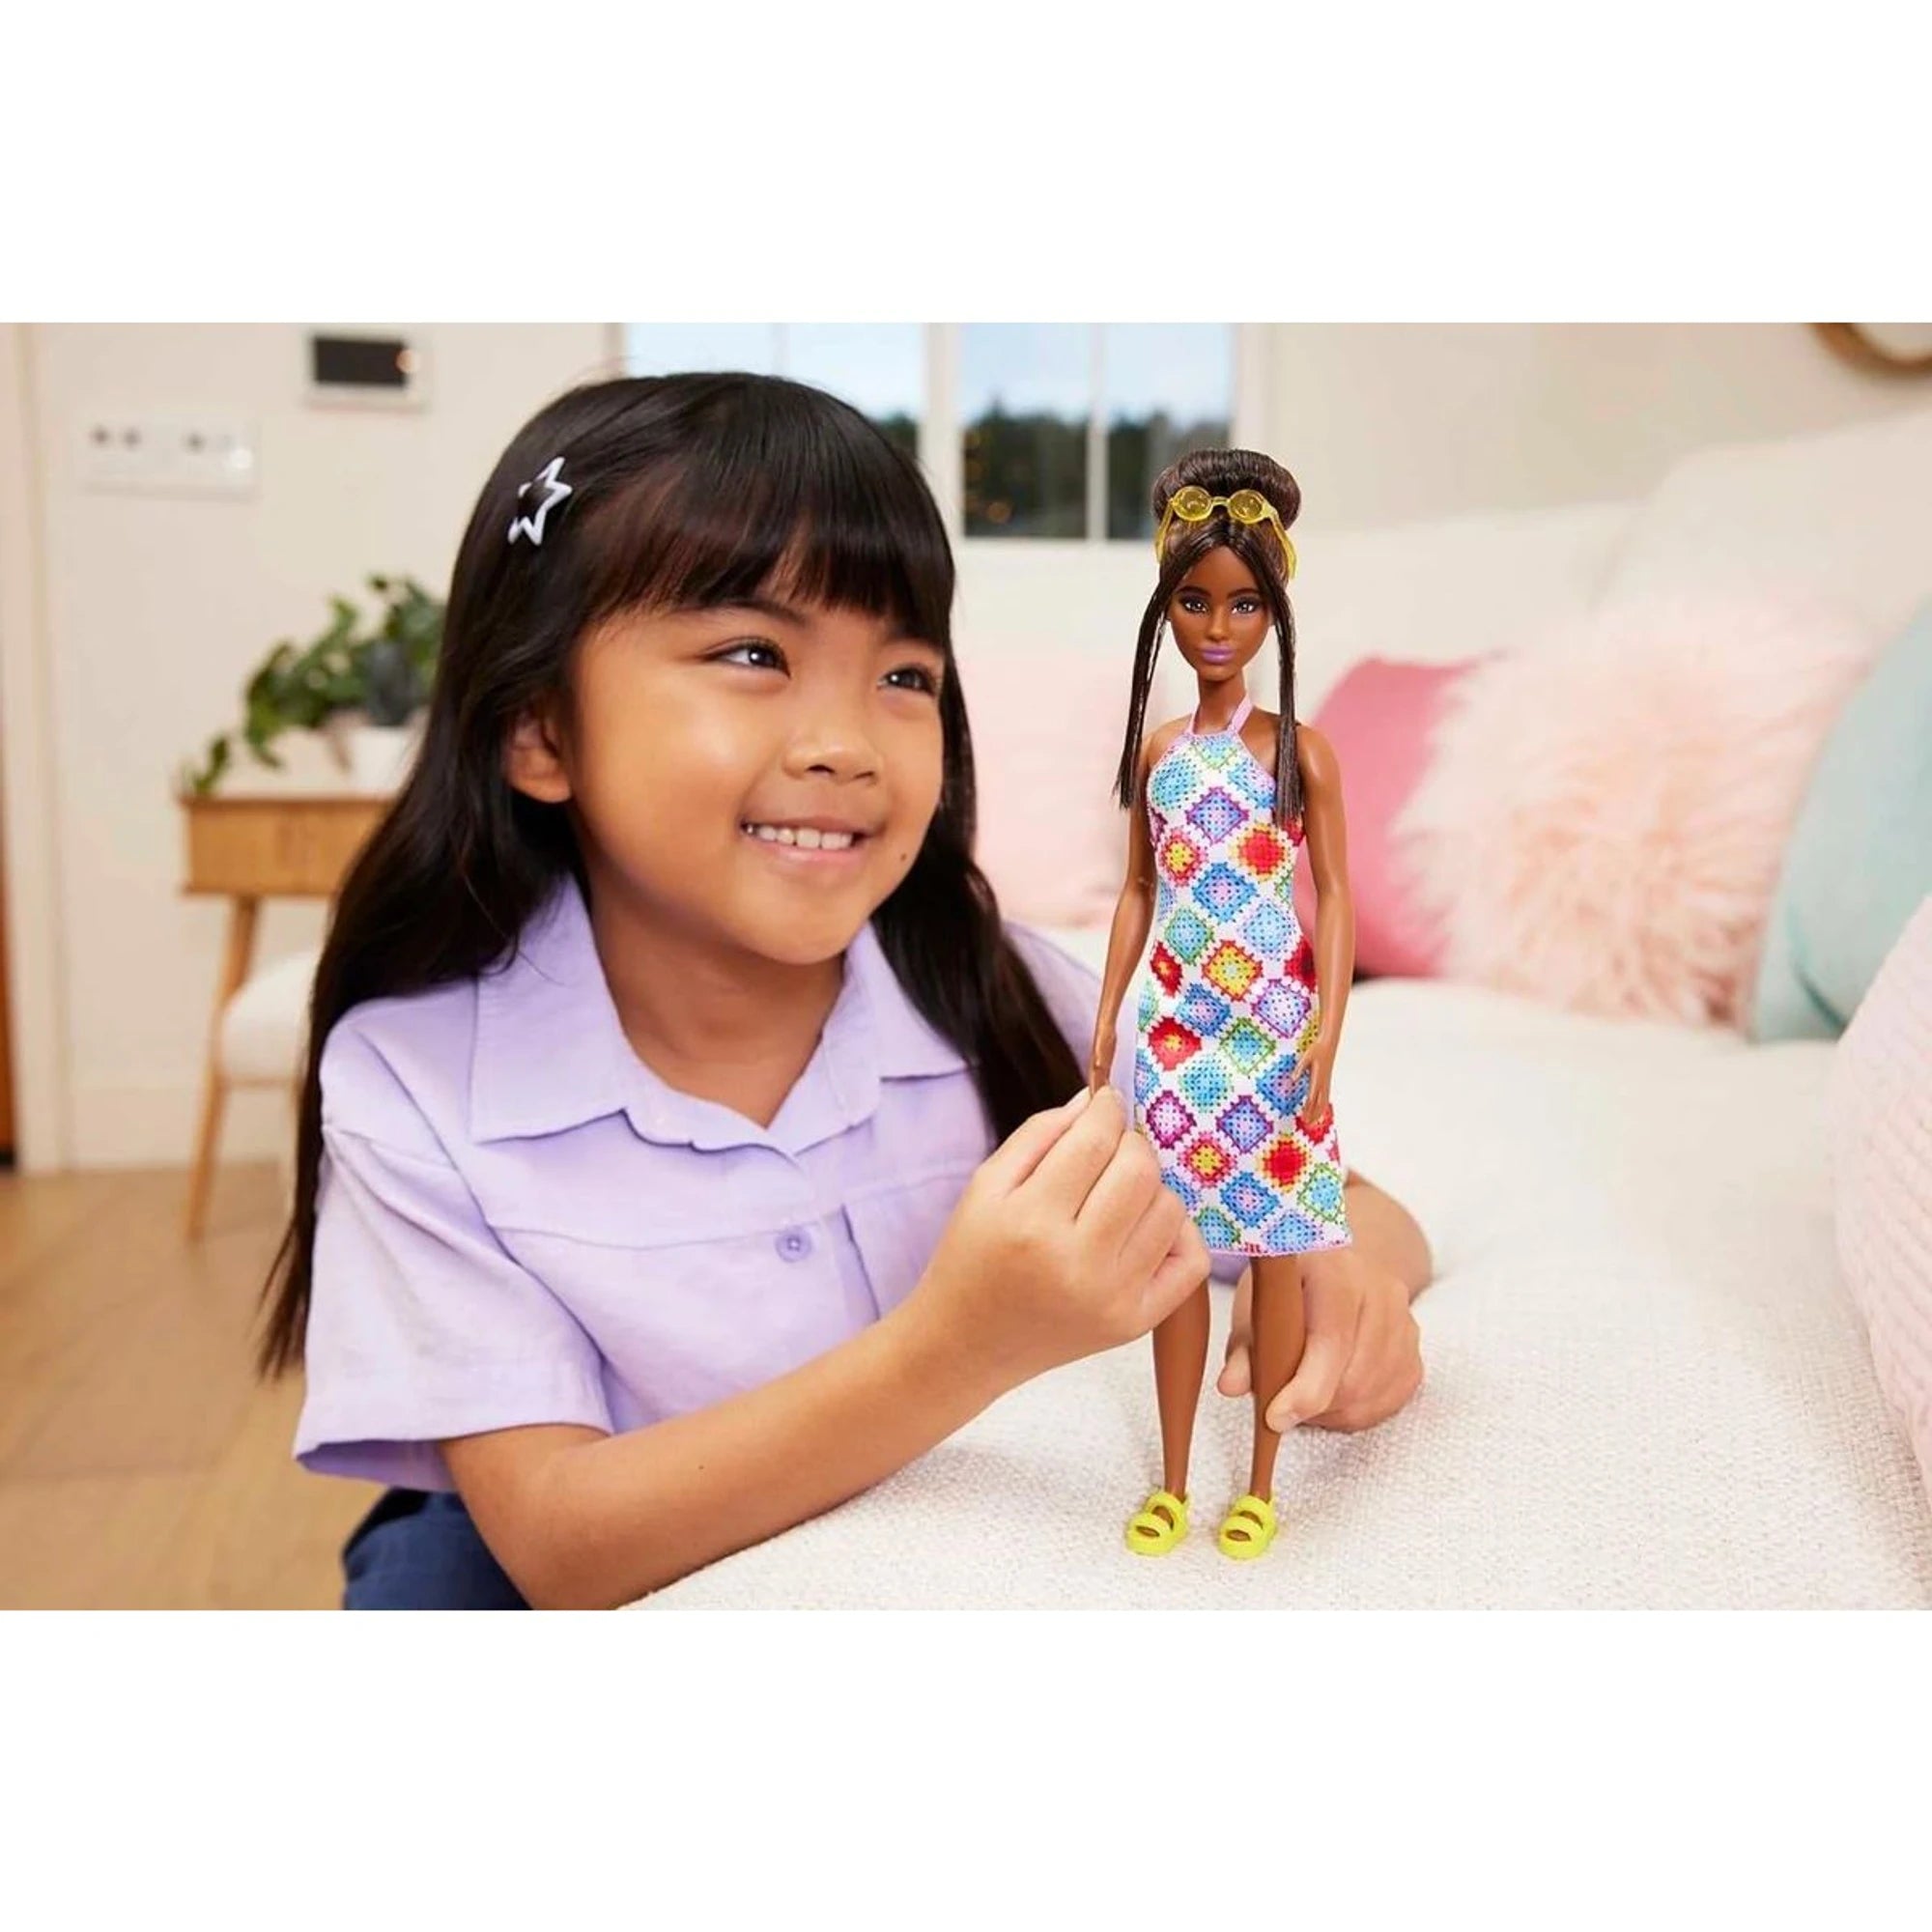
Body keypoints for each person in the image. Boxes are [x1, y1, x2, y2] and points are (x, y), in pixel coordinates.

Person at [261, 372, 1431, 1609]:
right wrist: (963, 1342)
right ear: (540, 729)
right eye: (753, 653)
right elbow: (558, 1542)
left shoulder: (998, 990)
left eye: (904, 676)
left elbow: (1345, 1199)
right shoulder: (412, 1081)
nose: (848, 744)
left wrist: (1350, 1273)